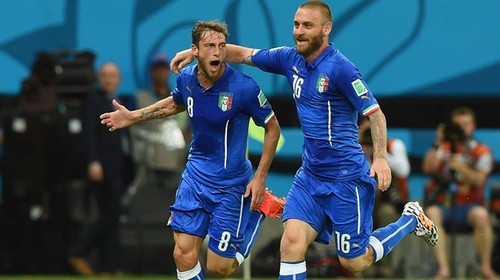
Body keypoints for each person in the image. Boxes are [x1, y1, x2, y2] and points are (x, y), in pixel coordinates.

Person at [171, 0, 438, 277]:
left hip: (346, 180)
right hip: (309, 177)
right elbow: (244, 54)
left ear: (326, 29)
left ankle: (410, 219)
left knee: (354, 262)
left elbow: (375, 114)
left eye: (307, 26)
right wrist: (193, 53)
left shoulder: (341, 69)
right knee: (291, 244)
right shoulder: (290, 59)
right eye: (296, 25)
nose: (299, 31)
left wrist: (381, 159)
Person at [100, 20, 285, 279]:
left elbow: (273, 128)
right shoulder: (186, 78)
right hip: (195, 179)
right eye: (210, 45)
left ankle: (258, 213)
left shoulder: (245, 88)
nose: (218, 52)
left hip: (230, 185)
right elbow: (176, 103)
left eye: (221, 46)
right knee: (182, 254)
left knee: (219, 268)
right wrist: (133, 116)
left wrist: (260, 176)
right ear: (195, 50)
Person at [422, 106, 497, 279]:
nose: (462, 127)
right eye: (457, 124)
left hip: (469, 205)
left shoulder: (481, 150)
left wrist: (461, 168)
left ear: (473, 126)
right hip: (444, 204)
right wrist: (437, 141)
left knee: (482, 216)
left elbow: (479, 179)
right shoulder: (443, 147)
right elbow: (427, 167)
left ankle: (485, 268)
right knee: (432, 213)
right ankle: (443, 268)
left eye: (466, 124)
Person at [68, 62, 129, 276]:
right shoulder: (93, 101)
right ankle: (79, 251)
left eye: (112, 75)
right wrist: (93, 161)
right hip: (102, 167)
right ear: (98, 78)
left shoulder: (118, 102)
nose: (108, 79)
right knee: (110, 214)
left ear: (119, 78)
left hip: (117, 167)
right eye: (104, 75)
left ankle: (110, 266)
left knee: (111, 216)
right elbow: (89, 134)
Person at [125, 53, 190, 212]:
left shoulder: (179, 98)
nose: (160, 73)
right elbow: (130, 128)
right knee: (146, 208)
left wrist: (182, 147)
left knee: (173, 208)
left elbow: (190, 128)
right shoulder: (140, 97)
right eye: (157, 69)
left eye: (163, 69)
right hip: (147, 165)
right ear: (151, 72)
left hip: (175, 163)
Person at [359, 117, 411, 277]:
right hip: (361, 201)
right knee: (358, 215)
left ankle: (386, 265)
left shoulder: (394, 145)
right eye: (367, 128)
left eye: (374, 128)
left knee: (387, 214)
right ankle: (360, 264)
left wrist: (379, 151)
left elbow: (403, 170)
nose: (371, 132)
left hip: (386, 200)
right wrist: (361, 146)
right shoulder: (354, 147)